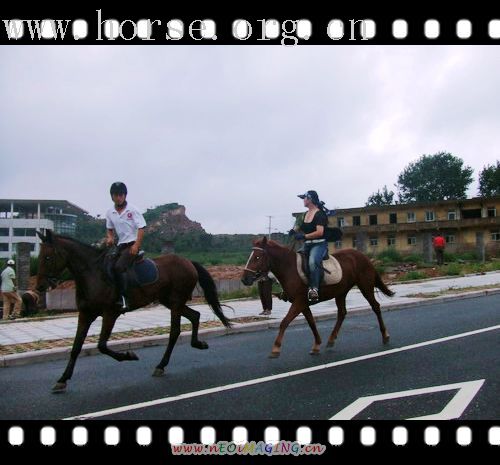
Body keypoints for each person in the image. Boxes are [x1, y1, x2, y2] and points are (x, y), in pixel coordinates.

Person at [105, 182, 147, 311]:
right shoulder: (110, 212)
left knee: (119, 267)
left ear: (125, 195)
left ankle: (124, 298)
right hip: (120, 245)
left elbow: (141, 228)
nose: (119, 197)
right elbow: (109, 228)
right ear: (112, 197)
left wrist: (136, 245)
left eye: (121, 195)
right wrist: (110, 238)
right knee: (106, 265)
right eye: (116, 195)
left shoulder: (132, 210)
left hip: (132, 244)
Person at [290, 190, 329, 302]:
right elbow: (298, 226)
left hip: (319, 244)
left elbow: (320, 232)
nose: (303, 200)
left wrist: (304, 236)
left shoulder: (320, 214)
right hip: (307, 245)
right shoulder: (304, 215)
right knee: (295, 260)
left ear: (310, 199)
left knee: (312, 262)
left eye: (304, 198)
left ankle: (314, 289)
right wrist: (293, 231)